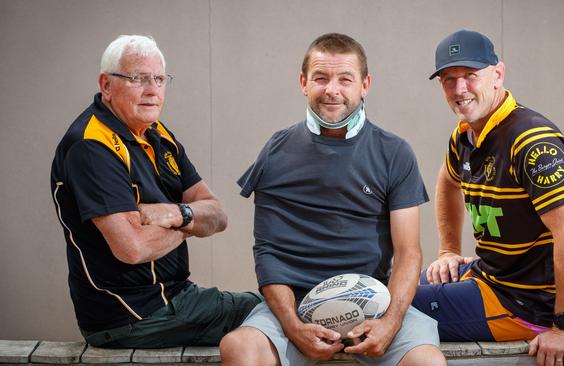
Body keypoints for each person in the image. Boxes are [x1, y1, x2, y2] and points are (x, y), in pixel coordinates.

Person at [219, 33, 446, 366]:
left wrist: (390, 322)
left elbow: (409, 251)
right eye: (321, 78)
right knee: (238, 347)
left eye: (345, 79)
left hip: (375, 305)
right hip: (294, 305)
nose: (332, 90)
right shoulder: (277, 151)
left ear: (365, 84)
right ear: (303, 82)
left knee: (427, 362)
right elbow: (268, 252)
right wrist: (293, 326)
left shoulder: (394, 152)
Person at [50, 35, 262, 348]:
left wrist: (173, 213)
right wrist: (191, 222)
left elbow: (217, 214)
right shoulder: (92, 146)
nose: (152, 90)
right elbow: (133, 247)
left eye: (159, 79)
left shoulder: (157, 133)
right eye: (137, 79)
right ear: (106, 85)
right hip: (132, 316)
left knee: (274, 311)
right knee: (272, 313)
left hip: (171, 299)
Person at [412, 30, 564, 366]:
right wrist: (449, 251)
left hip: (521, 304)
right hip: (489, 276)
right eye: (449, 79)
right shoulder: (466, 133)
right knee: (394, 287)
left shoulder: (533, 142)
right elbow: (448, 181)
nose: (459, 89)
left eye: (470, 76)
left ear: (498, 74)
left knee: (389, 310)